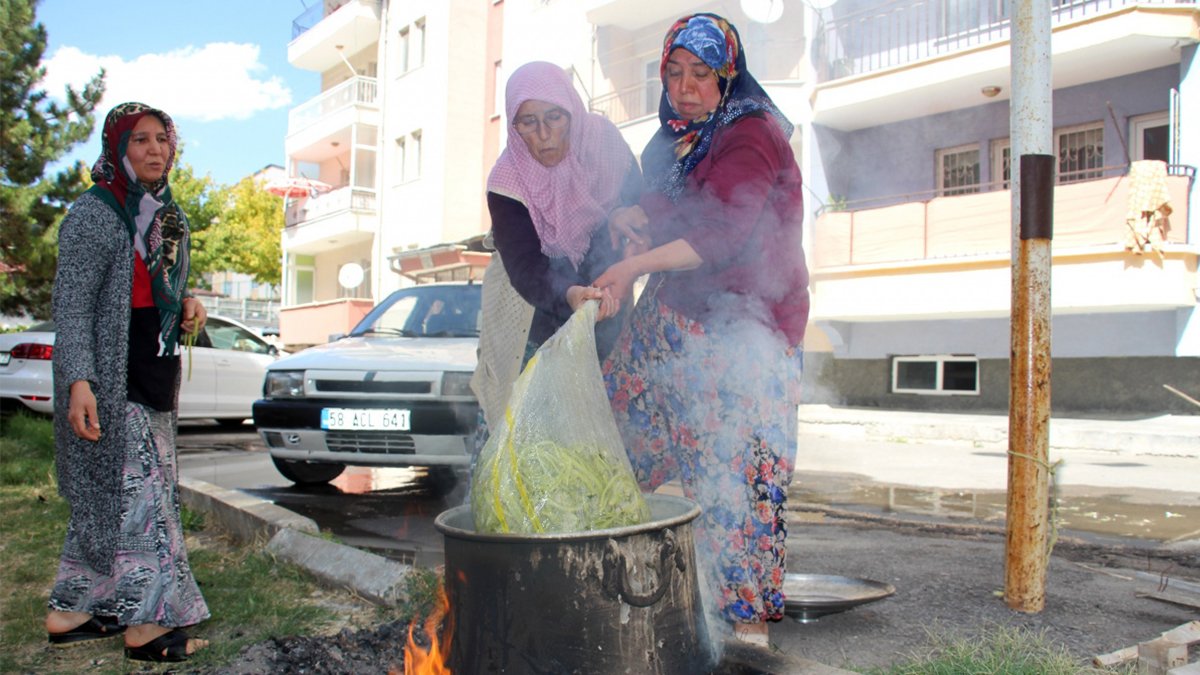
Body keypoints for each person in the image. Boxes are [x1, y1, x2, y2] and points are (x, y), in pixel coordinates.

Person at [594, 14, 809, 647]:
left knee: (730, 475)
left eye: (702, 74)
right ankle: (623, 585)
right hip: (675, 320)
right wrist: (632, 221)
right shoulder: (670, 143)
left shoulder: (752, 133)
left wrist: (631, 263)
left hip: (748, 331)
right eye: (674, 72)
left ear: (728, 75)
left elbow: (722, 234)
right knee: (617, 441)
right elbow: (666, 214)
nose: (686, 87)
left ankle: (741, 628)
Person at [44, 102, 211, 663]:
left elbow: (158, 288)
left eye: (163, 138)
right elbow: (72, 308)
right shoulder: (95, 213)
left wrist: (187, 302)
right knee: (145, 501)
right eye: (140, 139)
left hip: (152, 365)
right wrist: (78, 382)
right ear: (117, 147)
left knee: (120, 497)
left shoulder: (166, 214)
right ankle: (146, 625)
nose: (155, 149)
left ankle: (70, 612)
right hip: (113, 376)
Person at [470, 61, 641, 437]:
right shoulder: (507, 181)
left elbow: (638, 210)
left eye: (554, 117)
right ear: (514, 127)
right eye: (528, 122)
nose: (544, 133)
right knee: (523, 437)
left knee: (596, 438)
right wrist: (570, 294)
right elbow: (526, 267)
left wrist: (621, 226)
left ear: (572, 111)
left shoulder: (605, 145)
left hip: (608, 302)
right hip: (530, 314)